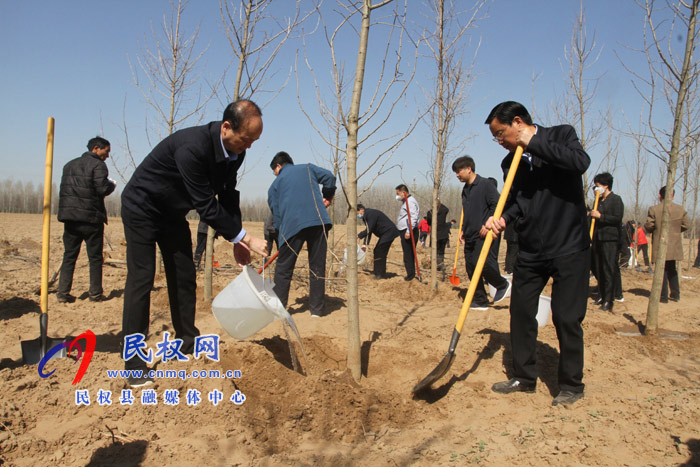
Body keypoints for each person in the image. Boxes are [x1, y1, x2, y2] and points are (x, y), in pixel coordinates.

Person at [120, 99, 267, 387]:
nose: (248, 147)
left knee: (184, 275)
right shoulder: (193, 147)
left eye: (254, 141)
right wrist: (246, 236)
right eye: (246, 139)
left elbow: (226, 195)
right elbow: (205, 206)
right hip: (142, 207)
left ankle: (187, 342)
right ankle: (134, 364)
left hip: (172, 212)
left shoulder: (236, 151)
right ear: (226, 127)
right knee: (142, 279)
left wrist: (236, 241)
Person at [484, 101, 591, 406]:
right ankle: (524, 377)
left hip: (569, 245)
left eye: (501, 134)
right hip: (531, 250)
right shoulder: (510, 163)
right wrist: (504, 217)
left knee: (567, 317)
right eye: (496, 137)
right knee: (520, 312)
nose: (500, 142)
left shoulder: (560, 135)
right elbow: (520, 201)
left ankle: (571, 384)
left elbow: (579, 162)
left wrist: (534, 142)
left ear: (518, 122)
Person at [268, 151, 336, 317]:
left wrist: (279, 233)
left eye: (274, 171)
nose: (275, 175)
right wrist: (327, 196)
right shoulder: (307, 168)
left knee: (283, 269)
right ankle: (316, 311)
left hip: (292, 227)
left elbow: (276, 214)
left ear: (278, 166)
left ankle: (280, 309)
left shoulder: (275, 185)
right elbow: (330, 178)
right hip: (318, 222)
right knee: (317, 267)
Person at [56, 136, 117, 303]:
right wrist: (112, 185)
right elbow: (102, 189)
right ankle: (95, 294)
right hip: (91, 219)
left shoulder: (68, 165)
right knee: (95, 258)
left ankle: (62, 293)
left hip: (70, 219)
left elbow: (64, 192)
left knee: (69, 256)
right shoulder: (98, 165)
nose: (108, 155)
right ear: (96, 148)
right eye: (107, 151)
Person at [452, 156, 510, 310]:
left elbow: (497, 205)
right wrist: (463, 229)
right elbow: (468, 212)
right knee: (470, 268)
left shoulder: (485, 185)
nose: (457, 175)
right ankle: (480, 300)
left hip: (483, 233)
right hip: (469, 234)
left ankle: (502, 284)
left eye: (458, 171)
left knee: (482, 264)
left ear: (468, 169)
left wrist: (489, 222)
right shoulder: (465, 190)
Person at [644, 186, 689, 303]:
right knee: (672, 269)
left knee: (661, 270)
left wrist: (651, 229)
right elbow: (686, 225)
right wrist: (675, 231)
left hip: (660, 243)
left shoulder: (654, 209)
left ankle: (663, 296)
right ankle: (675, 295)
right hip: (674, 244)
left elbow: (649, 225)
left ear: (660, 196)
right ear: (672, 196)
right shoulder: (680, 210)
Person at [589, 173, 624, 311]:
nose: (596, 189)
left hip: (610, 239)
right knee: (599, 268)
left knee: (608, 269)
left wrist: (601, 216)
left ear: (606, 186)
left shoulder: (616, 200)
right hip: (598, 238)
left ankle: (609, 300)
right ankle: (602, 296)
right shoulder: (598, 201)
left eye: (598, 186)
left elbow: (617, 218)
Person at [357, 204, 399, 279]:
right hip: (385, 234)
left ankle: (380, 273)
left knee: (380, 251)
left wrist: (359, 236)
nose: (357, 215)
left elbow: (369, 229)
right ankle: (378, 272)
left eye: (357, 213)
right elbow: (369, 231)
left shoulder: (370, 214)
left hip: (389, 232)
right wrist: (364, 244)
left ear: (361, 210)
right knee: (377, 251)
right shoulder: (366, 216)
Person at [395, 184, 420, 281]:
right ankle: (411, 273)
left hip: (408, 231)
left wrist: (409, 231)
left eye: (398, 193)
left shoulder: (410, 202)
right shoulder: (406, 201)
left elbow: (413, 217)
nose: (397, 196)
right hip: (405, 230)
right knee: (408, 253)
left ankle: (410, 275)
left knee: (408, 254)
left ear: (403, 192)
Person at [426, 200, 450, 271]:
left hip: (435, 235)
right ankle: (440, 264)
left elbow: (429, 222)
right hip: (444, 234)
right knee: (441, 251)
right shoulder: (444, 210)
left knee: (435, 251)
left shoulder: (430, 213)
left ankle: (440, 265)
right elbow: (446, 209)